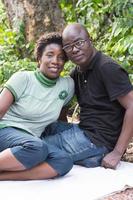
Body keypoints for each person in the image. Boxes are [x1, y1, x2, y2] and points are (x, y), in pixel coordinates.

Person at [43, 22, 133, 170]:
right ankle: (91, 158)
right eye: (68, 47)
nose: (75, 49)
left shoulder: (107, 68)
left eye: (79, 42)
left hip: (99, 139)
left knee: (34, 147)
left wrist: (117, 152)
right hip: (83, 130)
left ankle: (98, 154)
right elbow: (63, 105)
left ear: (90, 40)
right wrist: (61, 132)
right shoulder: (76, 73)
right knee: (43, 128)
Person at [0, 32, 74, 180]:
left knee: (64, 161)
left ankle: (3, 176)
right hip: (5, 132)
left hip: (30, 141)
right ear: (39, 58)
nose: (56, 61)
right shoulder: (23, 78)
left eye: (61, 57)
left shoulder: (67, 86)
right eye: (50, 55)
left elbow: (61, 116)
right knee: (37, 147)